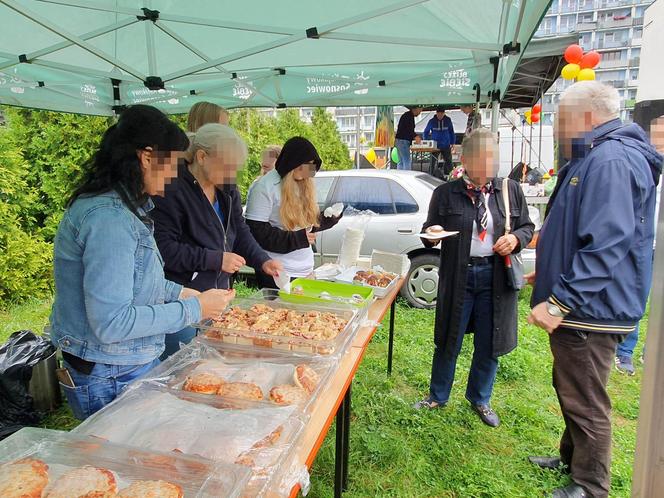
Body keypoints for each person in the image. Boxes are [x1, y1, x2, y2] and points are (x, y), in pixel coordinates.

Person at [49, 105, 235, 420]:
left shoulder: (123, 207)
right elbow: (112, 323)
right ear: (147, 157)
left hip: (119, 364)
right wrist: (196, 309)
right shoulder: (110, 220)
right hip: (109, 371)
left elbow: (132, 279)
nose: (176, 175)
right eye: (173, 164)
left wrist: (181, 293)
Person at [526, 82, 662, 498]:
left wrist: (562, 298)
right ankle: (572, 460)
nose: (558, 129)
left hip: (591, 309)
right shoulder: (601, 155)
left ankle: (589, 485)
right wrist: (549, 272)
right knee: (570, 384)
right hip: (589, 302)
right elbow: (581, 232)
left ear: (585, 117)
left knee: (585, 397)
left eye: (561, 120)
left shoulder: (611, 160)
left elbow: (608, 240)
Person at [413, 128, 534, 428]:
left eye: (492, 157)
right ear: (465, 159)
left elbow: (528, 228)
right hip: (459, 275)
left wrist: (516, 239)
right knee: (448, 338)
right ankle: (437, 396)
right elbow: (430, 232)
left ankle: (480, 398)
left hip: (495, 276)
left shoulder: (510, 190)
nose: (488, 164)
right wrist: (433, 234)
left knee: (489, 340)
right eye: (481, 158)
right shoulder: (445, 193)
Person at [151, 124, 282, 358]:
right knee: (179, 368)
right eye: (227, 166)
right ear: (201, 157)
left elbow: (239, 230)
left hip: (218, 297)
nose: (232, 174)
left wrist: (262, 260)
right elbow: (164, 250)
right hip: (183, 301)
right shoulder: (170, 189)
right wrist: (215, 259)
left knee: (212, 362)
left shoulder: (227, 188)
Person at [245, 136, 342, 288]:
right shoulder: (264, 187)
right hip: (278, 271)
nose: (306, 174)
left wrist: (327, 219)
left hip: (305, 268)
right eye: (304, 167)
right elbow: (256, 232)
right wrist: (296, 239)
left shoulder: (305, 182)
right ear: (292, 164)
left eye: (311, 167)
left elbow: (306, 227)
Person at [614, 114, 664, 374]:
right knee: (637, 296)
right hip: (644, 242)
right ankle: (624, 352)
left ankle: (652, 352)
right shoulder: (641, 163)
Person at [423, 107, 455, 176]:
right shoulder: (431, 121)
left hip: (446, 144)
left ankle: (451, 176)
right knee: (432, 161)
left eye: (441, 114)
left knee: (449, 161)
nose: (440, 116)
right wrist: (428, 142)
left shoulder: (448, 120)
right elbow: (425, 132)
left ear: (444, 113)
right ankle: (430, 175)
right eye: (438, 114)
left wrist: (452, 142)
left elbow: (451, 131)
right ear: (436, 113)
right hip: (435, 145)